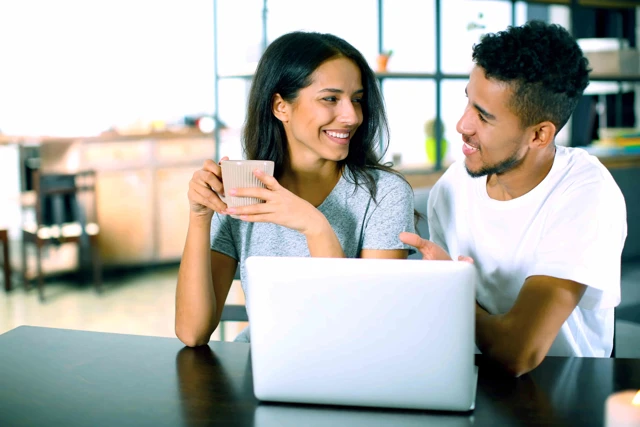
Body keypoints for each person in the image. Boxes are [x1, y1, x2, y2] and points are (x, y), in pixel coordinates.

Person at [400, 21, 627, 376]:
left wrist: (450, 290)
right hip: (473, 378)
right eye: (468, 103)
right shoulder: (453, 186)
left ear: (539, 134)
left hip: (565, 387)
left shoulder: (585, 192)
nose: (462, 125)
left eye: (484, 116)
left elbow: (517, 352)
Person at [176, 31, 416, 346]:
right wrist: (199, 217)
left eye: (357, 99)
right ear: (281, 107)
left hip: (349, 376)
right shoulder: (243, 189)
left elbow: (365, 330)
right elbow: (192, 332)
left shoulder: (384, 193)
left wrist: (315, 226)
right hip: (260, 369)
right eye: (331, 98)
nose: (352, 116)